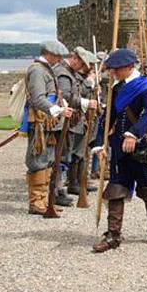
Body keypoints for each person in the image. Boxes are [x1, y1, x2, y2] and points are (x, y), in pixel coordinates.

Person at [93, 48, 147, 253]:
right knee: (116, 189)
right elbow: (107, 119)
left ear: (129, 67)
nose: (113, 73)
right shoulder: (116, 89)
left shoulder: (146, 88)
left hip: (141, 147)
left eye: (116, 69)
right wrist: (100, 144)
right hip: (119, 148)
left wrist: (134, 134)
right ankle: (113, 235)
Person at [25, 40, 73, 215]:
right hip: (39, 122)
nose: (59, 59)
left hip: (48, 123)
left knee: (48, 161)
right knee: (38, 161)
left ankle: (45, 200)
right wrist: (58, 110)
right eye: (57, 56)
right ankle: (36, 202)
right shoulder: (37, 70)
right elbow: (38, 99)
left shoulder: (46, 70)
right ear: (49, 53)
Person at [53, 47, 98, 206]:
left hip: (72, 119)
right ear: (75, 59)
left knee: (67, 157)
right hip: (64, 120)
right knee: (61, 158)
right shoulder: (63, 73)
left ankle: (62, 189)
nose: (83, 68)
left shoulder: (69, 73)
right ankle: (57, 192)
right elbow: (66, 96)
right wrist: (85, 102)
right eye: (82, 64)